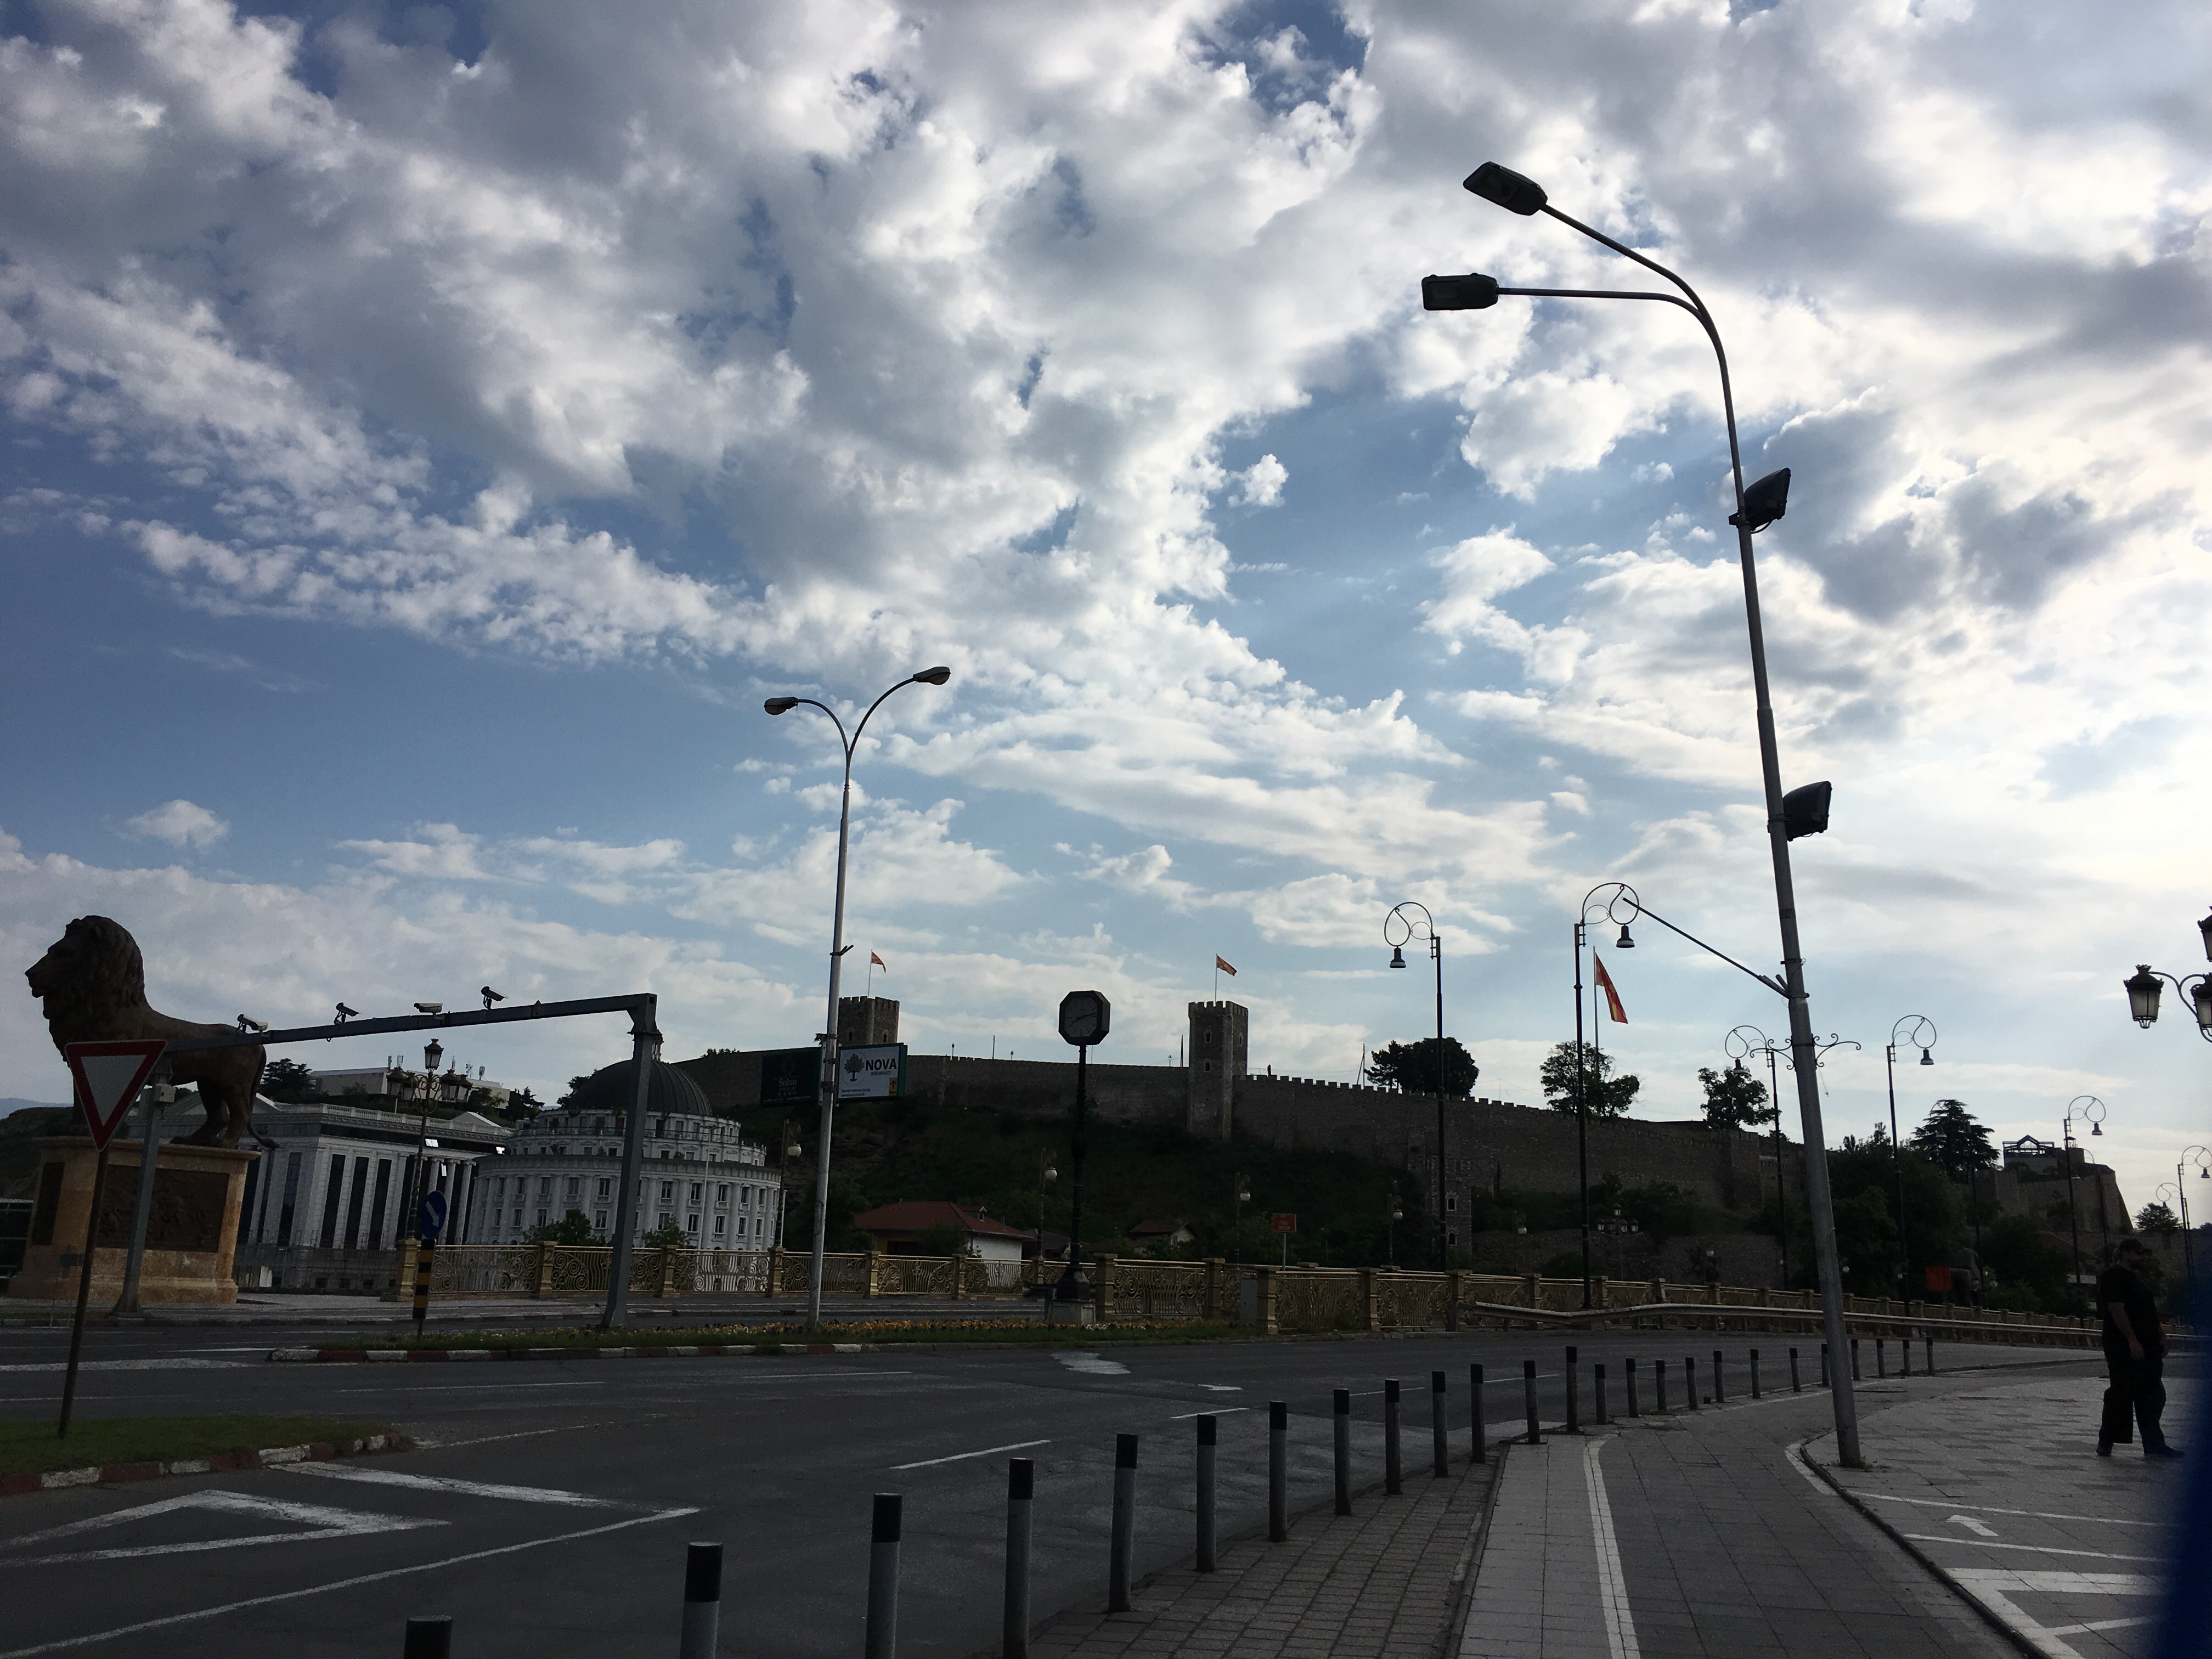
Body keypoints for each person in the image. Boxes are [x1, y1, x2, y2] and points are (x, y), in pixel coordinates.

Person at [2098, 1237, 2179, 1458]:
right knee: (2121, 1393)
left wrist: (2161, 1335)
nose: (2142, 1257)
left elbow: (2149, 1312)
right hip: (2123, 1346)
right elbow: (2117, 1310)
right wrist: (2132, 1341)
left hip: (2148, 1345)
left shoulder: (2137, 1280)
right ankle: (2107, 1441)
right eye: (2138, 1253)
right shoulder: (2114, 1276)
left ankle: (2154, 1445)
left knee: (2153, 1394)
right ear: (2126, 1253)